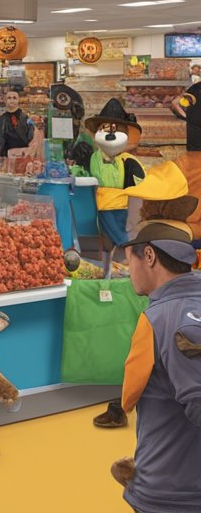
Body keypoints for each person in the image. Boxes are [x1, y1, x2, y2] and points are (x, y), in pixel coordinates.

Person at [116, 215, 201, 512]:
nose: (129, 272)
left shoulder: (168, 319)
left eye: (130, 261)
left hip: (174, 495)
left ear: (149, 256)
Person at [0, 90, 35, 157]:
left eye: (14, 98)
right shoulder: (1, 119)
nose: (12, 100)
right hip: (7, 155)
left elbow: (31, 134)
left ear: (18, 100)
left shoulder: (26, 118)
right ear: (5, 101)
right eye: (9, 98)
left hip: (23, 154)